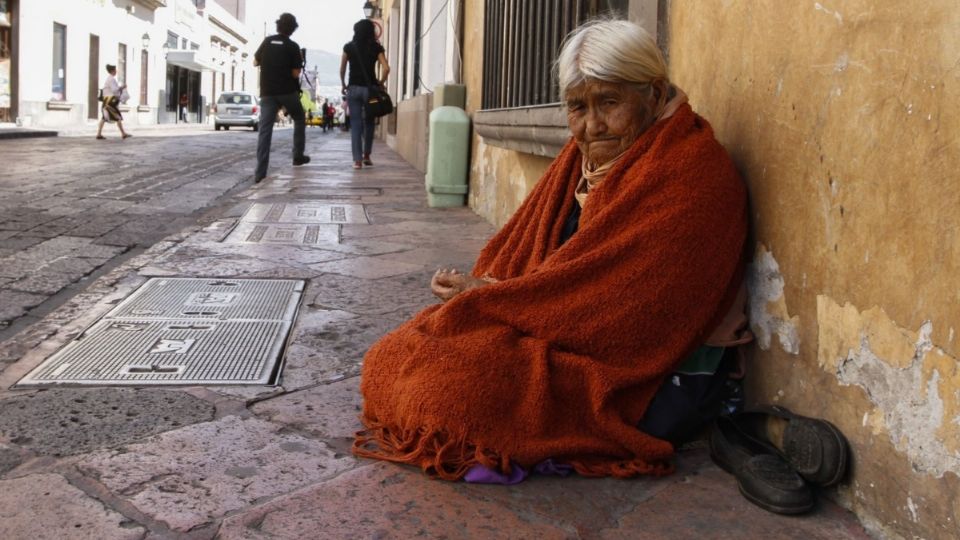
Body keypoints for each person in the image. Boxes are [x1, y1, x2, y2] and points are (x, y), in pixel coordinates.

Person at [354, 20, 752, 483]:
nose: (592, 125)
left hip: (647, 374)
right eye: (577, 108)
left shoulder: (693, 175)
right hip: (553, 325)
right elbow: (546, 266)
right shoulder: (588, 156)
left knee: (450, 393)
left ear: (654, 93)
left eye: (609, 102)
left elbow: (630, 317)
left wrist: (494, 296)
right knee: (398, 353)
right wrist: (496, 293)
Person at [253, 12, 310, 183]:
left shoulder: (267, 41)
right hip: (287, 92)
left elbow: (255, 62)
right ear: (292, 29)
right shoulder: (293, 46)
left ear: (278, 26)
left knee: (265, 131)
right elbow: (295, 73)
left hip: (267, 93)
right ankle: (297, 155)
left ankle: (260, 173)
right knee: (299, 118)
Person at [340, 19, 390, 169]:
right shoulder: (376, 47)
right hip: (370, 91)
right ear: (371, 31)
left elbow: (342, 69)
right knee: (369, 122)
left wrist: (343, 84)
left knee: (355, 124)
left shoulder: (349, 47)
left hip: (353, 89)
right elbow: (386, 68)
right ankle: (367, 155)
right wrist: (381, 82)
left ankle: (357, 161)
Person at [95, 64, 131, 140]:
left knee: (104, 117)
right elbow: (114, 90)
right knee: (117, 117)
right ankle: (123, 134)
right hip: (110, 101)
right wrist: (122, 87)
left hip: (107, 101)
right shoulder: (111, 79)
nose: (116, 71)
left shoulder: (109, 79)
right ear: (112, 71)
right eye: (115, 70)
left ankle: (99, 134)